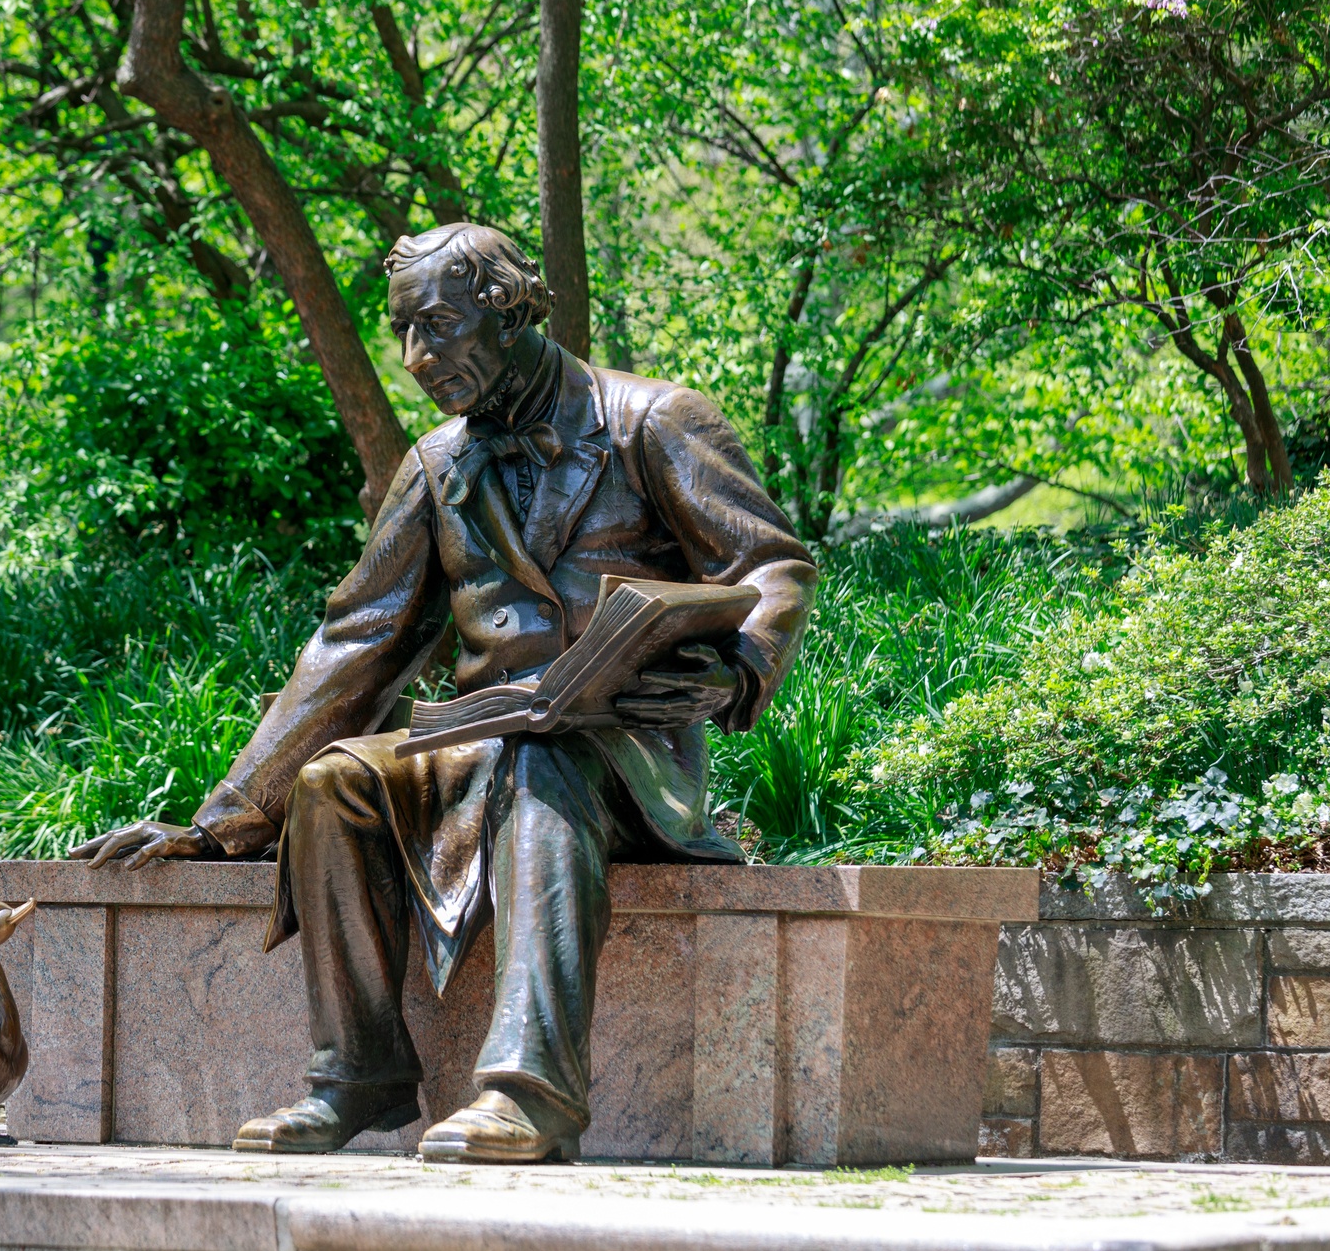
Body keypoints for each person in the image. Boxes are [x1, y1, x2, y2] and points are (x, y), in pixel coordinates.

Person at [71, 223, 816, 1162]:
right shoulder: (437, 465)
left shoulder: (655, 420)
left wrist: (737, 669)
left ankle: (529, 1094)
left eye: (440, 327)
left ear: (507, 313)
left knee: (543, 762)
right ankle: (358, 1075)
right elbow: (355, 643)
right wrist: (222, 819)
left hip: (625, 755)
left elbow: (773, 564)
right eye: (405, 334)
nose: (419, 358)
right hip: (482, 741)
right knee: (333, 782)